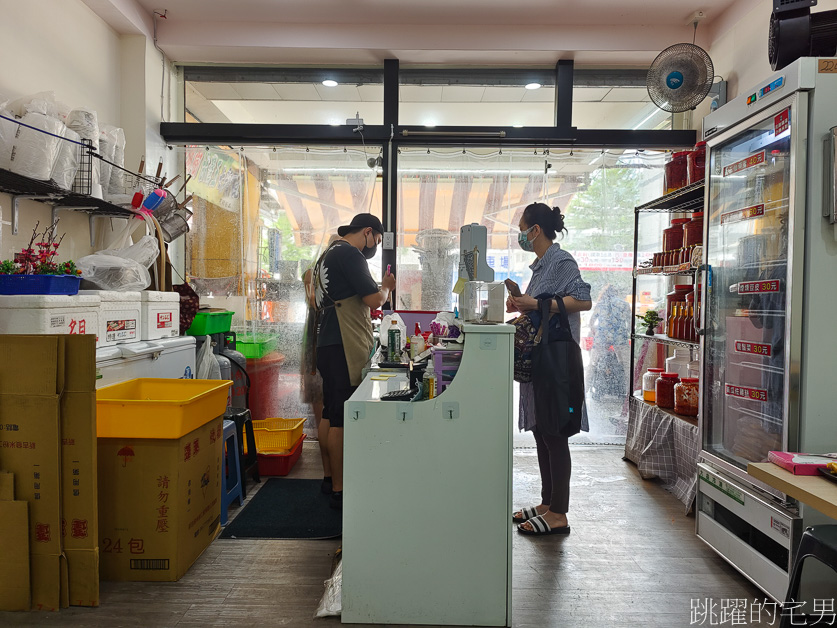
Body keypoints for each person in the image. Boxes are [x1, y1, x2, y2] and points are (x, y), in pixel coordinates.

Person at [506, 203, 592, 536]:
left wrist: (538, 303)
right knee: (542, 430)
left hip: (557, 359)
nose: (521, 235)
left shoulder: (561, 260)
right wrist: (522, 301)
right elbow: (541, 305)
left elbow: (582, 299)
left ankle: (559, 514)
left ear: (536, 230)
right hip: (541, 358)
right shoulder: (541, 266)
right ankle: (547, 502)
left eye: (522, 228)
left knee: (555, 432)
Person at [312, 214, 396, 509]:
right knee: (341, 418)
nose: (375, 246)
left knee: (329, 411)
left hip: (326, 341)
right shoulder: (350, 253)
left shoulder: (327, 255)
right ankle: (340, 489)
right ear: (368, 232)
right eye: (377, 240)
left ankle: (327, 478)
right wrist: (386, 287)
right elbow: (374, 300)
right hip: (343, 345)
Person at [587, 284, 631, 400]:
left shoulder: (600, 304)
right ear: (617, 293)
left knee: (592, 364)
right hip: (620, 337)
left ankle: (584, 390)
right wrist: (627, 332)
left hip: (602, 337)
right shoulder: (624, 304)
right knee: (626, 365)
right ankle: (629, 391)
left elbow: (591, 322)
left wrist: (596, 332)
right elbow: (630, 323)